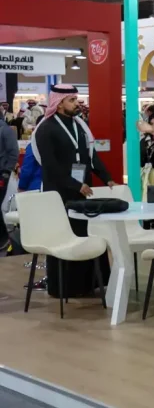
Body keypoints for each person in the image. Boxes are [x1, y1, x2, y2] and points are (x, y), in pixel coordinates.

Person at [31, 85, 114, 298]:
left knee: (86, 234)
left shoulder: (80, 126)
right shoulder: (46, 129)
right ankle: (65, 288)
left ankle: (89, 284)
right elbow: (51, 166)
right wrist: (75, 185)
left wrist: (107, 177)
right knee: (64, 238)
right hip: (60, 194)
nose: (77, 103)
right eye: (72, 100)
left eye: (76, 99)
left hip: (81, 192)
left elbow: (90, 156)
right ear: (59, 104)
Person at [0, 113, 19, 250]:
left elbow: (13, 153)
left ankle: (3, 239)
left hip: (1, 174)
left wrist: (6, 172)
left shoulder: (5, 130)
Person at [18, 117, 43, 192]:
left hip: (37, 187)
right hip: (58, 188)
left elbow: (27, 169)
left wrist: (21, 186)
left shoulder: (34, 145)